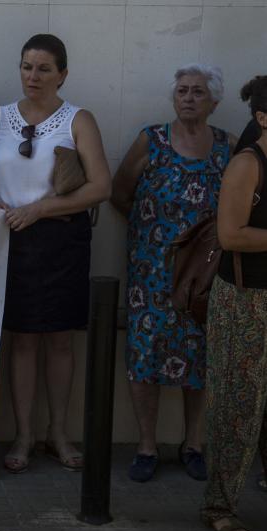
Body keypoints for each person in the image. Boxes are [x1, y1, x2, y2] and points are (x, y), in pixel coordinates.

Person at [0, 34, 111, 474]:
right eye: (26, 66)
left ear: (62, 74)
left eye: (43, 68)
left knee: (59, 340)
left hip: (61, 238)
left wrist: (40, 209)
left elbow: (101, 186)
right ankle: (24, 435)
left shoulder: (78, 119)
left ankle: (58, 432)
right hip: (11, 238)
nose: (32, 76)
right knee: (21, 340)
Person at [111, 64, 233, 483]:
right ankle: (146, 446)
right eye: (182, 91)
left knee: (200, 355)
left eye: (198, 92)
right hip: (151, 273)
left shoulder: (227, 147)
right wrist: (153, 237)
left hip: (203, 275)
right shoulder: (152, 139)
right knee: (145, 353)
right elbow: (120, 192)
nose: (188, 98)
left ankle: (193, 444)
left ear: (214, 101)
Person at [200, 75, 267, 531]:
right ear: (263, 117)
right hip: (246, 301)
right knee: (237, 407)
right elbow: (230, 235)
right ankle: (219, 507)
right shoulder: (247, 164)